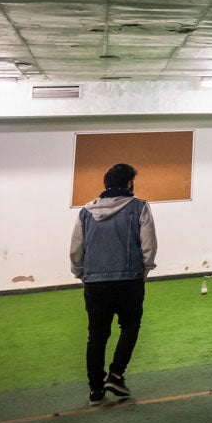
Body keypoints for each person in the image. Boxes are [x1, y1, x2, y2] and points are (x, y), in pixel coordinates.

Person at [69, 162, 157, 406]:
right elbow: (148, 245)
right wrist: (145, 270)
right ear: (129, 183)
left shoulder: (85, 212)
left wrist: (82, 274)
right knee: (130, 327)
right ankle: (116, 375)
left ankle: (95, 390)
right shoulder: (139, 207)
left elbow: (77, 249)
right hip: (129, 281)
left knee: (96, 335)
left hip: (95, 283)